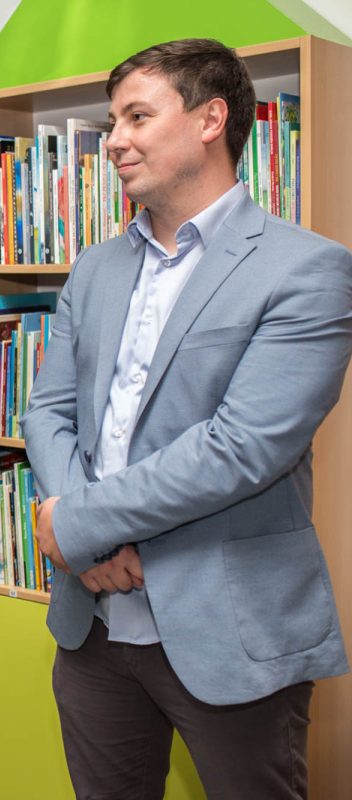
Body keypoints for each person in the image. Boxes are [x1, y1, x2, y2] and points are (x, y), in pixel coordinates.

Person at [22, 38, 352, 799]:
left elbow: (241, 447)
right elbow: (49, 410)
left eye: (136, 117)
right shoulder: (94, 267)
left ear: (211, 120)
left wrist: (75, 523)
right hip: (92, 623)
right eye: (112, 121)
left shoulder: (307, 269)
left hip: (229, 625)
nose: (113, 140)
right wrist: (86, 541)